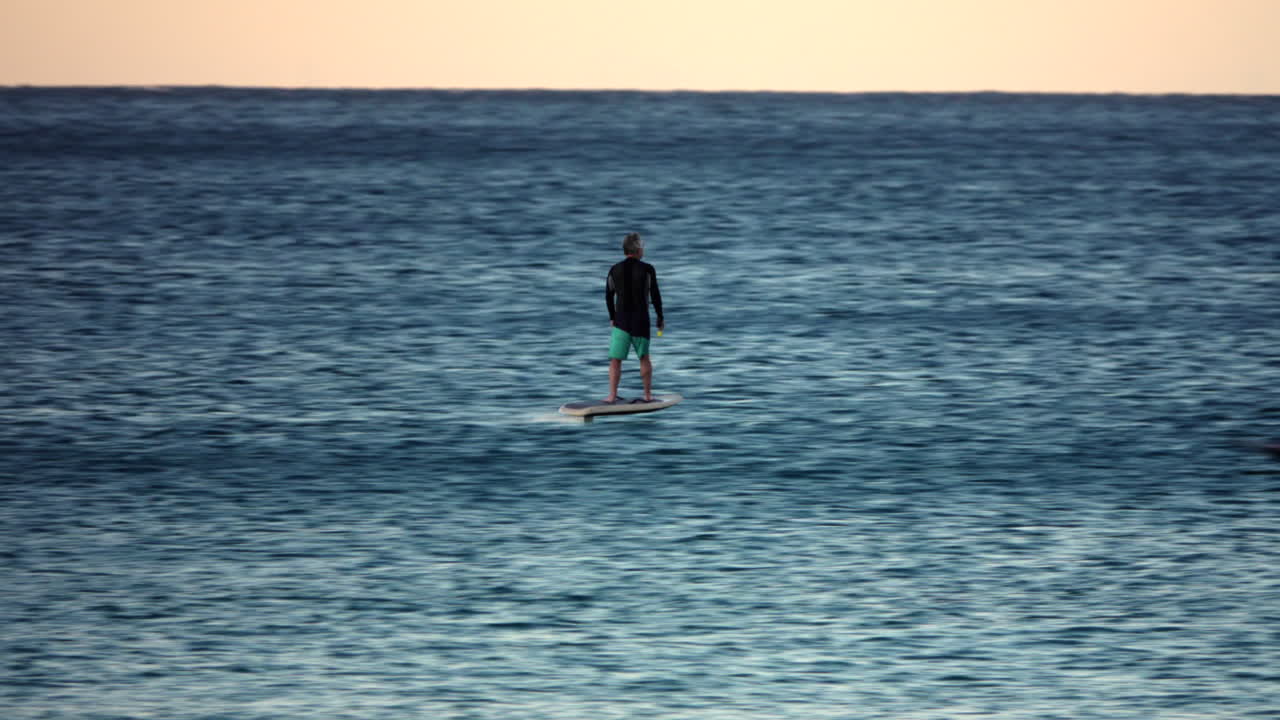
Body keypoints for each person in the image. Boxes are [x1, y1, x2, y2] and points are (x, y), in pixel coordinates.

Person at [604, 232, 664, 403]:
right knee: (644, 357)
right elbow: (655, 295)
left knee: (615, 361)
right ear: (637, 249)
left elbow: (608, 295)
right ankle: (647, 395)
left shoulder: (614, 269)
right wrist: (660, 317)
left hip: (620, 321)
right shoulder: (647, 269)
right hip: (640, 321)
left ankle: (612, 396)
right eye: (642, 247)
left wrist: (612, 317)